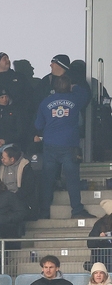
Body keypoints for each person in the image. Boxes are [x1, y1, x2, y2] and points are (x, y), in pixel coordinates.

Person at [37, 75, 92, 219]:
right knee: (72, 179)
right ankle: (77, 210)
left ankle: (44, 212)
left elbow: (38, 125)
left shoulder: (45, 102)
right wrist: (76, 87)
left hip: (50, 145)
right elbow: (86, 95)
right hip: (69, 145)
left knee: (47, 180)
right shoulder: (75, 99)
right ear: (69, 86)